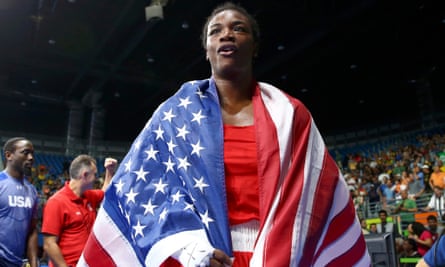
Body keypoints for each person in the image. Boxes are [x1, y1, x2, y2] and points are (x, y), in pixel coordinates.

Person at [77, 2, 370, 266]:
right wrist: (189, 249)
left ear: (254, 46)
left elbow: (315, 194)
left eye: (238, 28)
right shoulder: (174, 113)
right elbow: (143, 190)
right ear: (207, 49)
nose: (226, 34)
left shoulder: (291, 114)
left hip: (280, 256)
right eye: (216, 31)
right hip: (202, 257)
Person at [41, 156, 117, 267]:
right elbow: (49, 244)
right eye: (94, 174)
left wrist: (109, 171)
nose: (96, 178)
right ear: (85, 175)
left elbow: (105, 191)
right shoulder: (56, 202)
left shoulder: (89, 196)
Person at [0, 137, 39, 267]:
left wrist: (34, 263)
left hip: (17, 263)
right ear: (9, 155)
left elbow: (32, 230)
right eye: (25, 152)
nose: (31, 158)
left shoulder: (32, 191)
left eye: (32, 153)